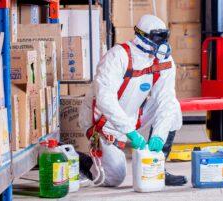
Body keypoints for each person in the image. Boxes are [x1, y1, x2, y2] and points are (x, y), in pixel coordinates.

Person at [78, 14, 186, 187]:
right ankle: (78, 161)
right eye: (158, 38)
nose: (162, 44)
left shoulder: (164, 61)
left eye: (164, 38)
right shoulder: (117, 57)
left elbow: (165, 99)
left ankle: (158, 168)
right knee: (115, 177)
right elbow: (105, 99)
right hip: (103, 122)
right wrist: (130, 132)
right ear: (142, 37)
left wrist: (159, 135)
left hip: (132, 114)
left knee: (173, 107)